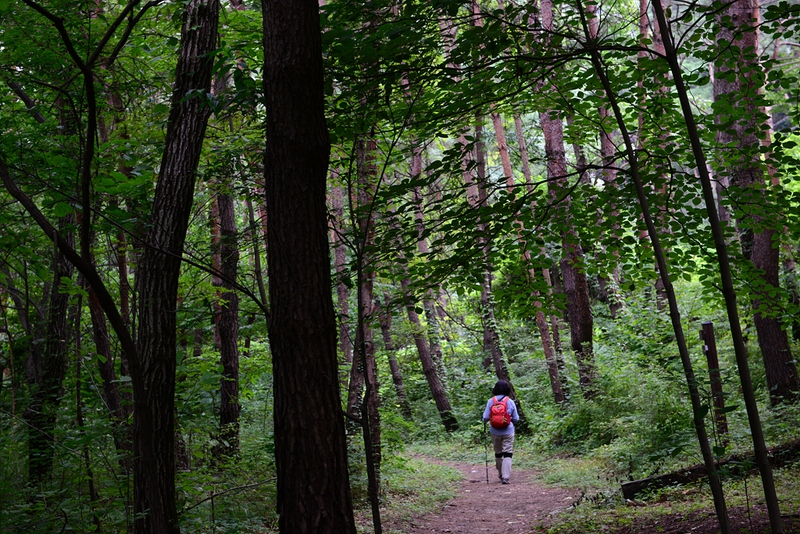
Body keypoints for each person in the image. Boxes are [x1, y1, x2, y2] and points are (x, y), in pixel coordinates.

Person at [482, 380, 519, 484]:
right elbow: (516, 418)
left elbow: (485, 417)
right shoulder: (509, 401)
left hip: (494, 431)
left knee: (498, 453)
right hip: (508, 431)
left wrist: (485, 421)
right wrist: (510, 420)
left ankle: (501, 474)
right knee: (508, 453)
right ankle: (506, 477)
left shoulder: (491, 401)